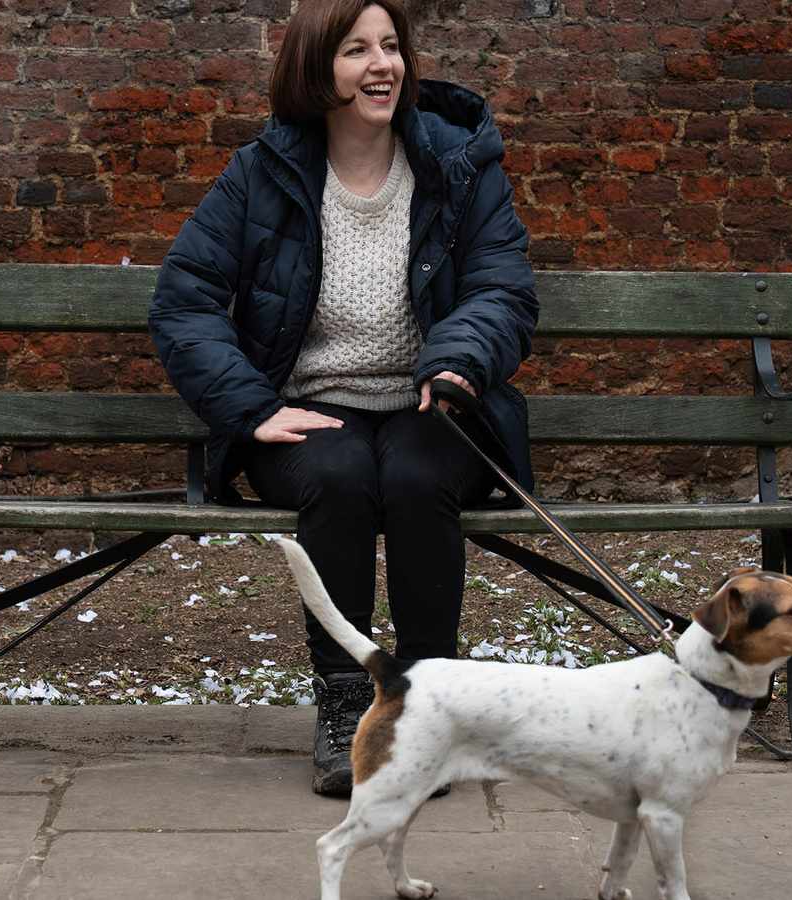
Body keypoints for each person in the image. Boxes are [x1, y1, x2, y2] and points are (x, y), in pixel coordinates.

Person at [148, 0, 537, 796]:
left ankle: (431, 706)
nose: (382, 65)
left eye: (391, 46)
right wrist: (254, 409)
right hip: (309, 408)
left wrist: (460, 359)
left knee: (417, 478)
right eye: (357, 50)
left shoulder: (459, 165)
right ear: (316, 69)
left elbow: (502, 284)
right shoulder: (263, 173)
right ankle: (346, 704)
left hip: (431, 405)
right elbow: (183, 300)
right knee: (341, 476)